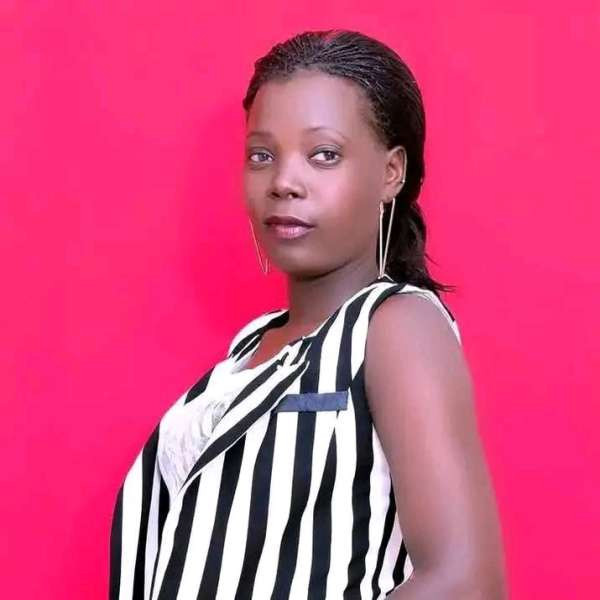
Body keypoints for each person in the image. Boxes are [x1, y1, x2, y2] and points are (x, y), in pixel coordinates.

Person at [109, 29, 507, 600]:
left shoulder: (394, 325)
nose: (284, 183)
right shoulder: (251, 346)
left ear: (391, 171)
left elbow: (465, 582)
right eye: (262, 155)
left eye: (324, 155)